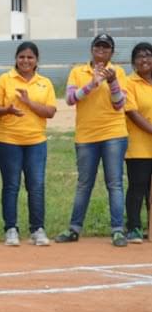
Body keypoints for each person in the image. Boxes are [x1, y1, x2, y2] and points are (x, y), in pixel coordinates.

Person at [56, 33, 134, 247]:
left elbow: (119, 105)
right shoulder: (78, 71)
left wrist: (112, 81)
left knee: (114, 183)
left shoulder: (118, 72)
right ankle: (74, 229)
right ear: (91, 49)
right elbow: (70, 99)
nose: (101, 51)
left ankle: (117, 230)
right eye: (98, 47)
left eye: (106, 48)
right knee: (84, 184)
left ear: (111, 52)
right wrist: (91, 84)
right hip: (86, 135)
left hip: (113, 134)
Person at [0, 41, 57, 246]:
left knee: (36, 186)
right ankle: (11, 229)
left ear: (37, 60)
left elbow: (50, 112)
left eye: (30, 57)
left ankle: (37, 229)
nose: (25, 61)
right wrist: (8, 110)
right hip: (7, 141)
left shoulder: (44, 82)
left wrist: (29, 103)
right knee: (11, 185)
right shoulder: (5, 79)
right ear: (16, 59)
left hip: (36, 142)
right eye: (22, 57)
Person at [124, 42, 152, 243]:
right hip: (138, 145)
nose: (145, 60)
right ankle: (134, 227)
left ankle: (151, 227)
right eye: (140, 56)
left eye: (148, 55)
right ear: (134, 62)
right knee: (138, 187)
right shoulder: (129, 82)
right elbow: (132, 112)